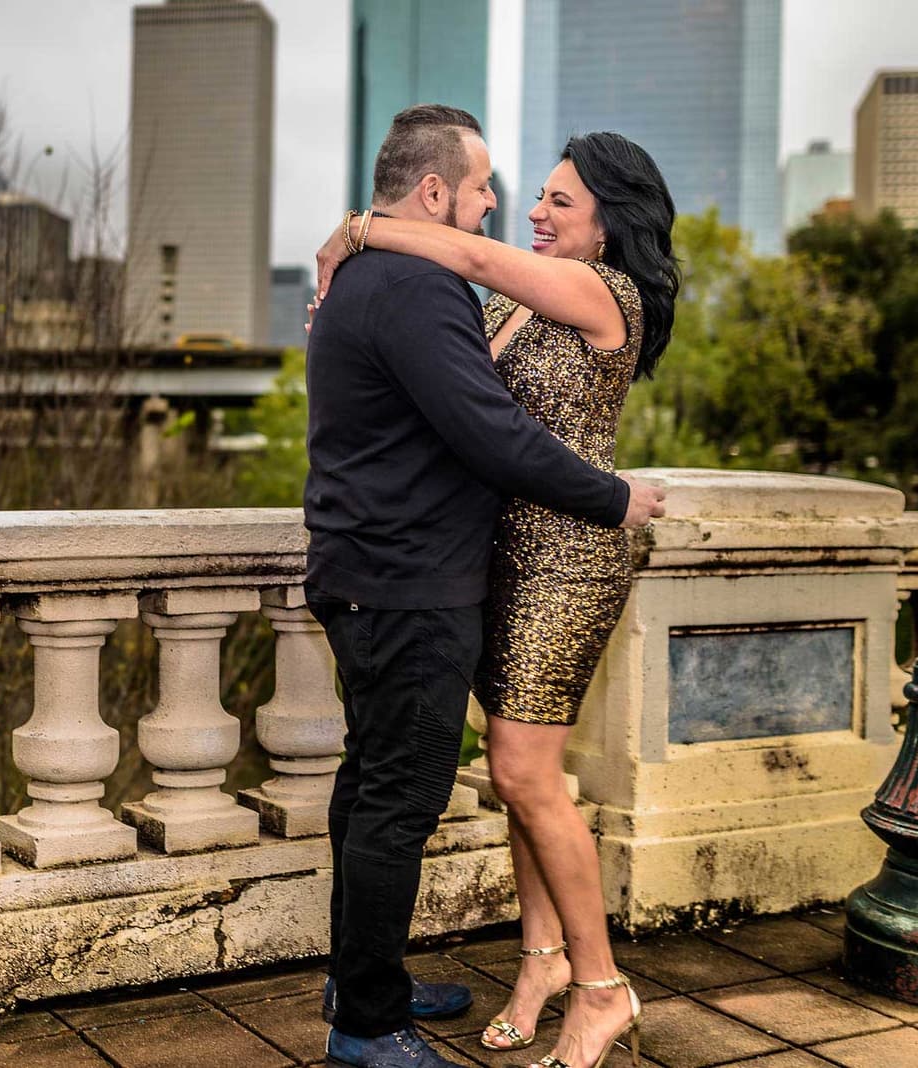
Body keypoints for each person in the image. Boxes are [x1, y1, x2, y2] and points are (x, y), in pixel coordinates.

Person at [304, 105, 666, 1068]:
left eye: (557, 199)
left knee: (511, 776)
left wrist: (359, 229)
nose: (524, 210)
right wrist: (367, 236)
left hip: (563, 553)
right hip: (453, 564)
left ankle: (594, 985)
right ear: (437, 194)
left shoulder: (599, 291)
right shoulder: (467, 291)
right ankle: (417, 989)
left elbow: (466, 267)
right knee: (468, 781)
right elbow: (474, 409)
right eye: (513, 192)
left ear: (607, 222)